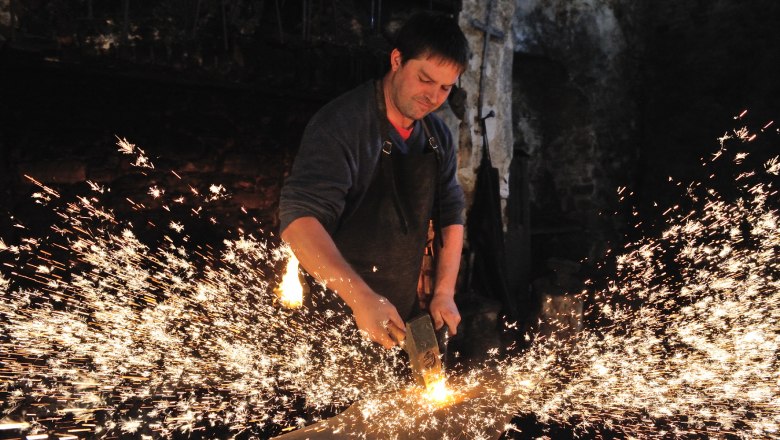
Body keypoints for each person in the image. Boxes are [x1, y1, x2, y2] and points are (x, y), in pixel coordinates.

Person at [279, 12, 469, 349]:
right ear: (397, 60)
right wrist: (361, 299)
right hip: (335, 317)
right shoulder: (341, 125)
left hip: (402, 315)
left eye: (445, 87)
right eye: (425, 79)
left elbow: (451, 214)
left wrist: (443, 292)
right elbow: (299, 223)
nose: (434, 97)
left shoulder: (437, 136)